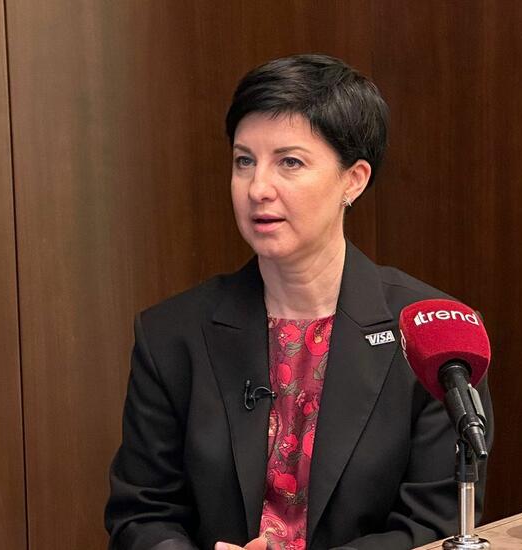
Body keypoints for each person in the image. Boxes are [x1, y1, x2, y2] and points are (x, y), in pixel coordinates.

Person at [105, 54, 493, 550]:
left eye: (289, 162)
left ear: (353, 179)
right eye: (244, 161)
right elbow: (141, 516)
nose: (258, 188)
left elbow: (436, 526)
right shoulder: (171, 335)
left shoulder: (434, 336)